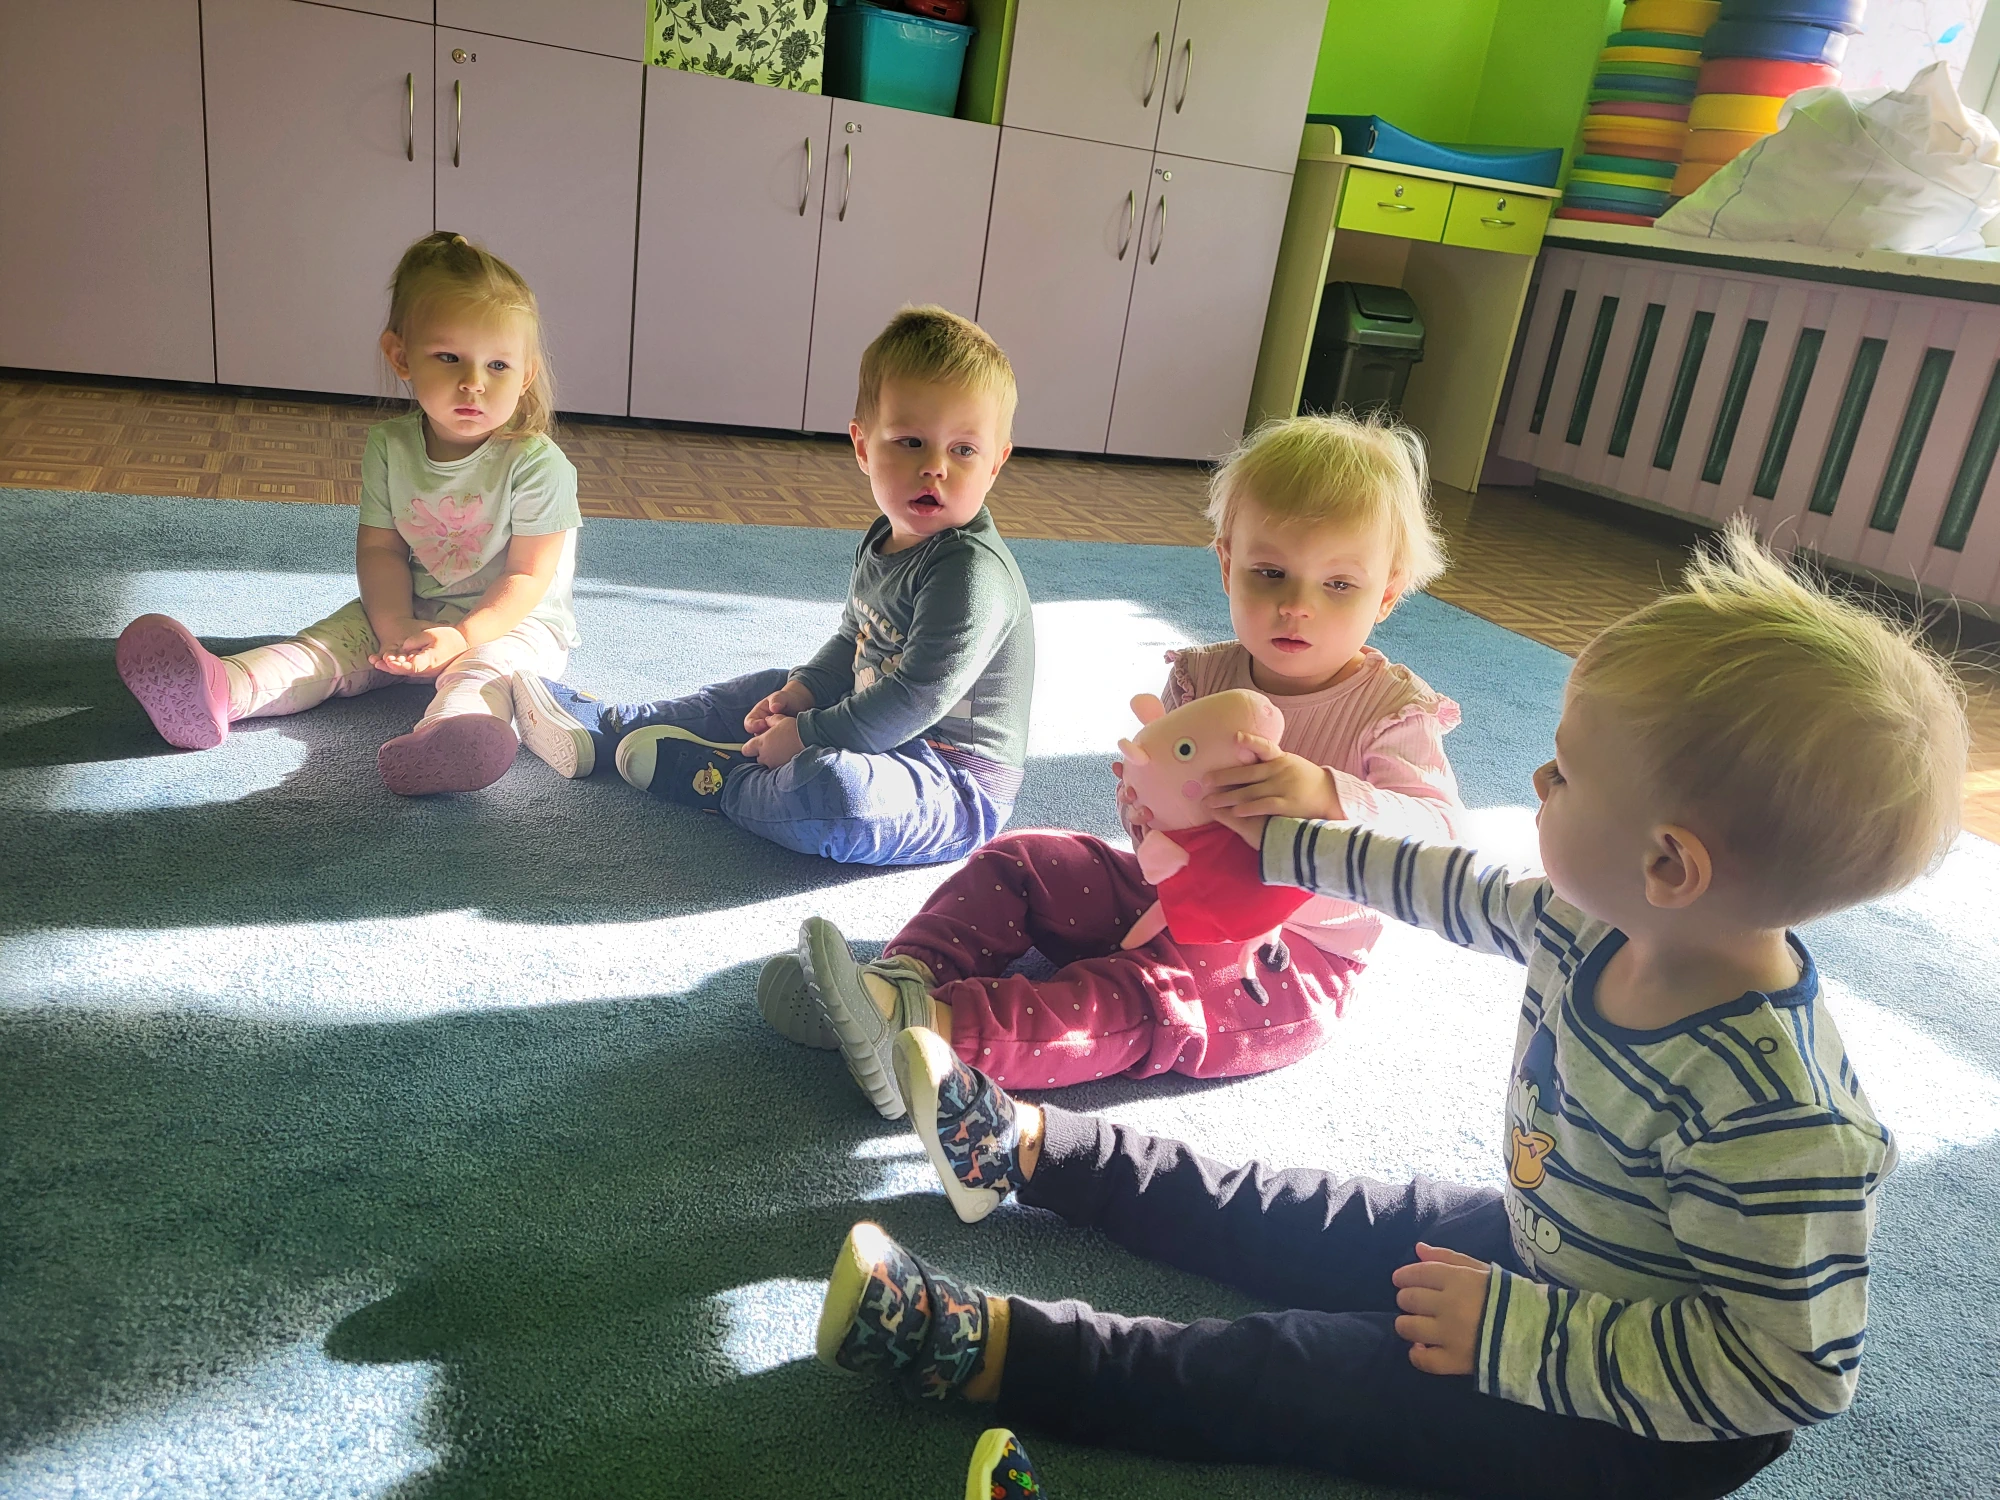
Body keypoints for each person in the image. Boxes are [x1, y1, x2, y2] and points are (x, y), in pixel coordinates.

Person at [810, 520, 1969, 1500]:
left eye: (1564, 775)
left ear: (1668, 863)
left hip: (1628, 1423)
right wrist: (1278, 840)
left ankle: (986, 1352)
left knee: (1306, 1374)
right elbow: (1441, 883)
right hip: (1549, 1247)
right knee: (1303, 1211)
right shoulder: (1598, 918)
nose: (1535, 783)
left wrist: (1515, 1337)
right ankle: (1029, 1149)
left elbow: (1785, 1373)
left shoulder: (1781, 1122)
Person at [778, 414, 1463, 1118]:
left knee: (1149, 996)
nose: (1296, 605)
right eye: (1270, 574)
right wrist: (1142, 809)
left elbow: (1442, 838)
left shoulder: (1392, 710)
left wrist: (1326, 792)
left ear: (1387, 594)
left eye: (1339, 585)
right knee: (1024, 857)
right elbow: (1159, 801)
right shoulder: (1204, 676)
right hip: (1165, 892)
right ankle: (898, 979)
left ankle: (936, 1034)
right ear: (1228, 564)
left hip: (1289, 955)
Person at [512, 306, 1032, 867]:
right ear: (863, 447)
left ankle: (721, 778)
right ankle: (616, 726)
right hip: (867, 719)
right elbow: (853, 639)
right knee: (769, 688)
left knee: (838, 796)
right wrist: (802, 694)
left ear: (995, 463)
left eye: (963, 450)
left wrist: (807, 735)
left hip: (948, 779)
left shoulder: (969, 572)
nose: (936, 467)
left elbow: (914, 698)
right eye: (911, 442)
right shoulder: (886, 536)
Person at [114, 231, 580, 796]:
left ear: (525, 375)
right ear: (401, 356)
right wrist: (394, 624)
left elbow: (527, 576)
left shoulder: (537, 464)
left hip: (513, 622)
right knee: (325, 647)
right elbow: (381, 550)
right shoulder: (390, 445)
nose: (473, 383)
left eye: (498, 365)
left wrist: (461, 636)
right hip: (414, 603)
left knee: (489, 670)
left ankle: (453, 734)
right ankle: (221, 688)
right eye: (449, 357)